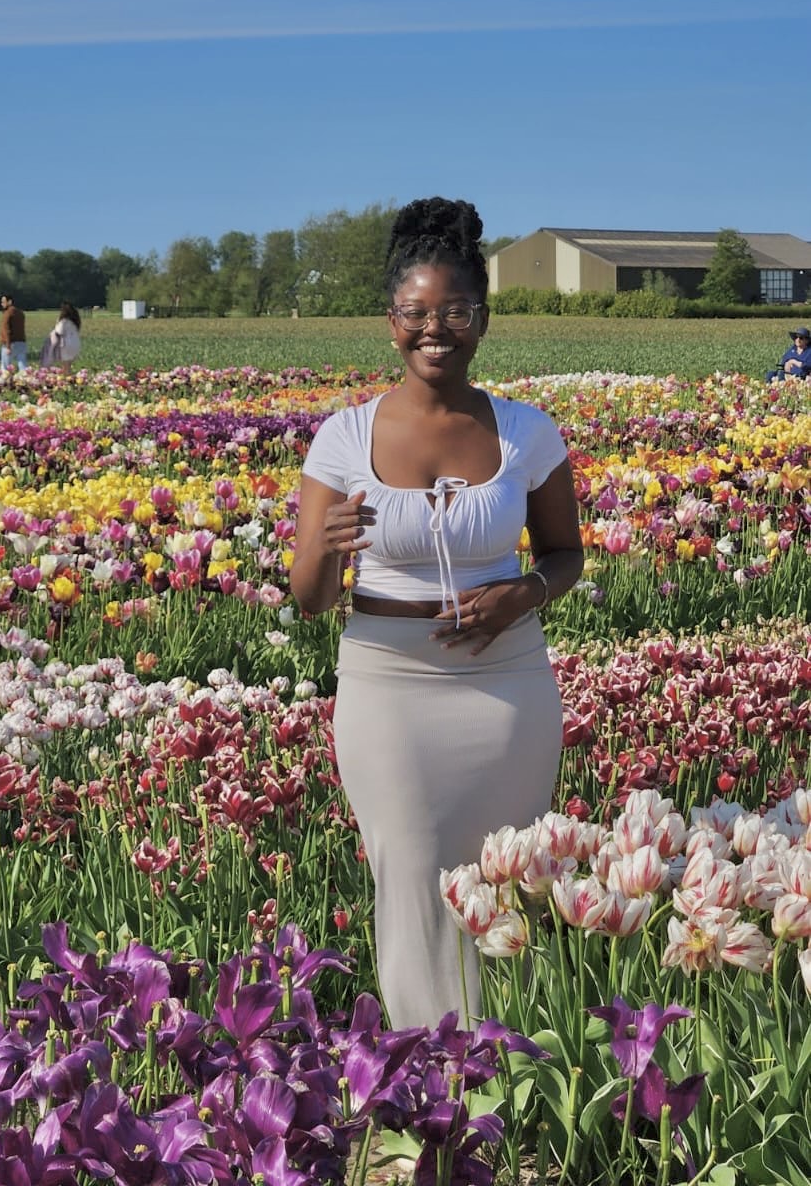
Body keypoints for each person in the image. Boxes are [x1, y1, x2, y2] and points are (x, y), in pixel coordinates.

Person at [290, 197, 584, 1029]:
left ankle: (512, 1059)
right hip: (389, 682)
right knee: (413, 867)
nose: (435, 329)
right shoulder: (343, 437)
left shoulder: (529, 432)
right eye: (417, 313)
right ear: (391, 322)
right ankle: (425, 1066)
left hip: (508, 681)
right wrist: (327, 547)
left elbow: (566, 555)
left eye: (455, 312)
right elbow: (309, 599)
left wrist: (520, 593)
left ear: (482, 320)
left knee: (509, 870)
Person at [44, 301, 82, 373]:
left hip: (66, 344)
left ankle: (66, 379)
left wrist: (57, 323)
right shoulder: (75, 321)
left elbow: (58, 331)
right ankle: (68, 377)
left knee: (65, 365)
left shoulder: (63, 321)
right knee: (68, 364)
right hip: (75, 342)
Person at [0, 294, 27, 375]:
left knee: (5, 368)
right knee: (23, 367)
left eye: (3, 302)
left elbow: (6, 330)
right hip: (21, 342)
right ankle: (25, 382)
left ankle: (7, 385)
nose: (2, 304)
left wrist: (8, 346)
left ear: (10, 302)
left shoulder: (7, 314)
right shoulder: (21, 313)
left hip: (10, 343)